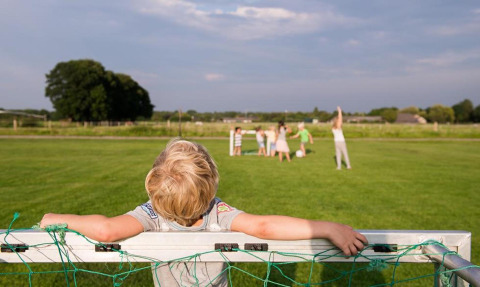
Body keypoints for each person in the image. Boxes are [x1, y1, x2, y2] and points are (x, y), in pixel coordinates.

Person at [40, 139, 367, 286]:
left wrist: (57, 218)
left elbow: (106, 231)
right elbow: (264, 226)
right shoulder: (216, 211)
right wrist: (327, 226)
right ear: (210, 183)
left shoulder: (152, 213)